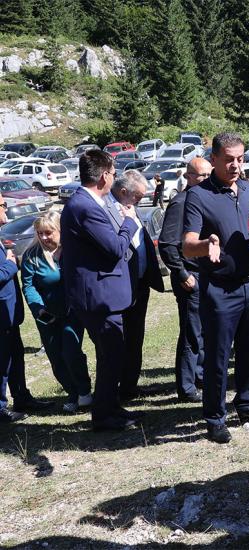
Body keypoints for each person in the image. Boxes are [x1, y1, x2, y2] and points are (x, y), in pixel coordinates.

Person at [183, 132, 249, 444]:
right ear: (214, 160)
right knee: (218, 356)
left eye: (240, 158)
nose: (236, 165)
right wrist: (208, 244)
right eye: (229, 160)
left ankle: (246, 403)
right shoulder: (199, 195)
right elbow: (187, 245)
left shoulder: (247, 189)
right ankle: (215, 417)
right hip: (220, 289)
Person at [60, 150, 141, 431]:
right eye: (114, 172)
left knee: (110, 356)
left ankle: (109, 407)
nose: (114, 177)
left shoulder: (90, 202)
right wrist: (129, 221)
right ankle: (104, 416)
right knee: (112, 354)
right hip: (98, 297)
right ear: (105, 175)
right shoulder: (85, 206)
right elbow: (114, 249)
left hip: (101, 295)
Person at [20, 211, 92, 413]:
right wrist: (38, 308)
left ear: (60, 231)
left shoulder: (72, 250)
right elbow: (28, 286)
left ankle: (84, 391)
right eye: (40, 233)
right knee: (56, 357)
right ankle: (72, 393)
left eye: (48, 233)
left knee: (70, 351)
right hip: (46, 315)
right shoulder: (32, 256)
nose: (43, 237)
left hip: (73, 312)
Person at [104, 170, 165, 401]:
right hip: (120, 288)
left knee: (135, 337)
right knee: (119, 341)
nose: (140, 201)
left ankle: (130, 385)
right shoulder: (108, 211)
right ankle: (116, 389)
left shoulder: (130, 207)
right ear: (123, 192)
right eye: (138, 197)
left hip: (139, 285)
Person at [159, 157, 211, 402]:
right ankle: (187, 387)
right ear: (188, 176)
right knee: (191, 333)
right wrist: (182, 274)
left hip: (205, 276)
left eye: (208, 175)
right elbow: (168, 244)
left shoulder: (202, 200)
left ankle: (199, 377)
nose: (205, 180)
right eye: (200, 176)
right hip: (190, 278)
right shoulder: (181, 203)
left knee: (202, 332)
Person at [1, 192, 54, 423]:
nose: (5, 210)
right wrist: (11, 265)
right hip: (1, 314)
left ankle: (22, 397)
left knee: (15, 356)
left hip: (10, 313)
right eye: (2, 205)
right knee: (2, 362)